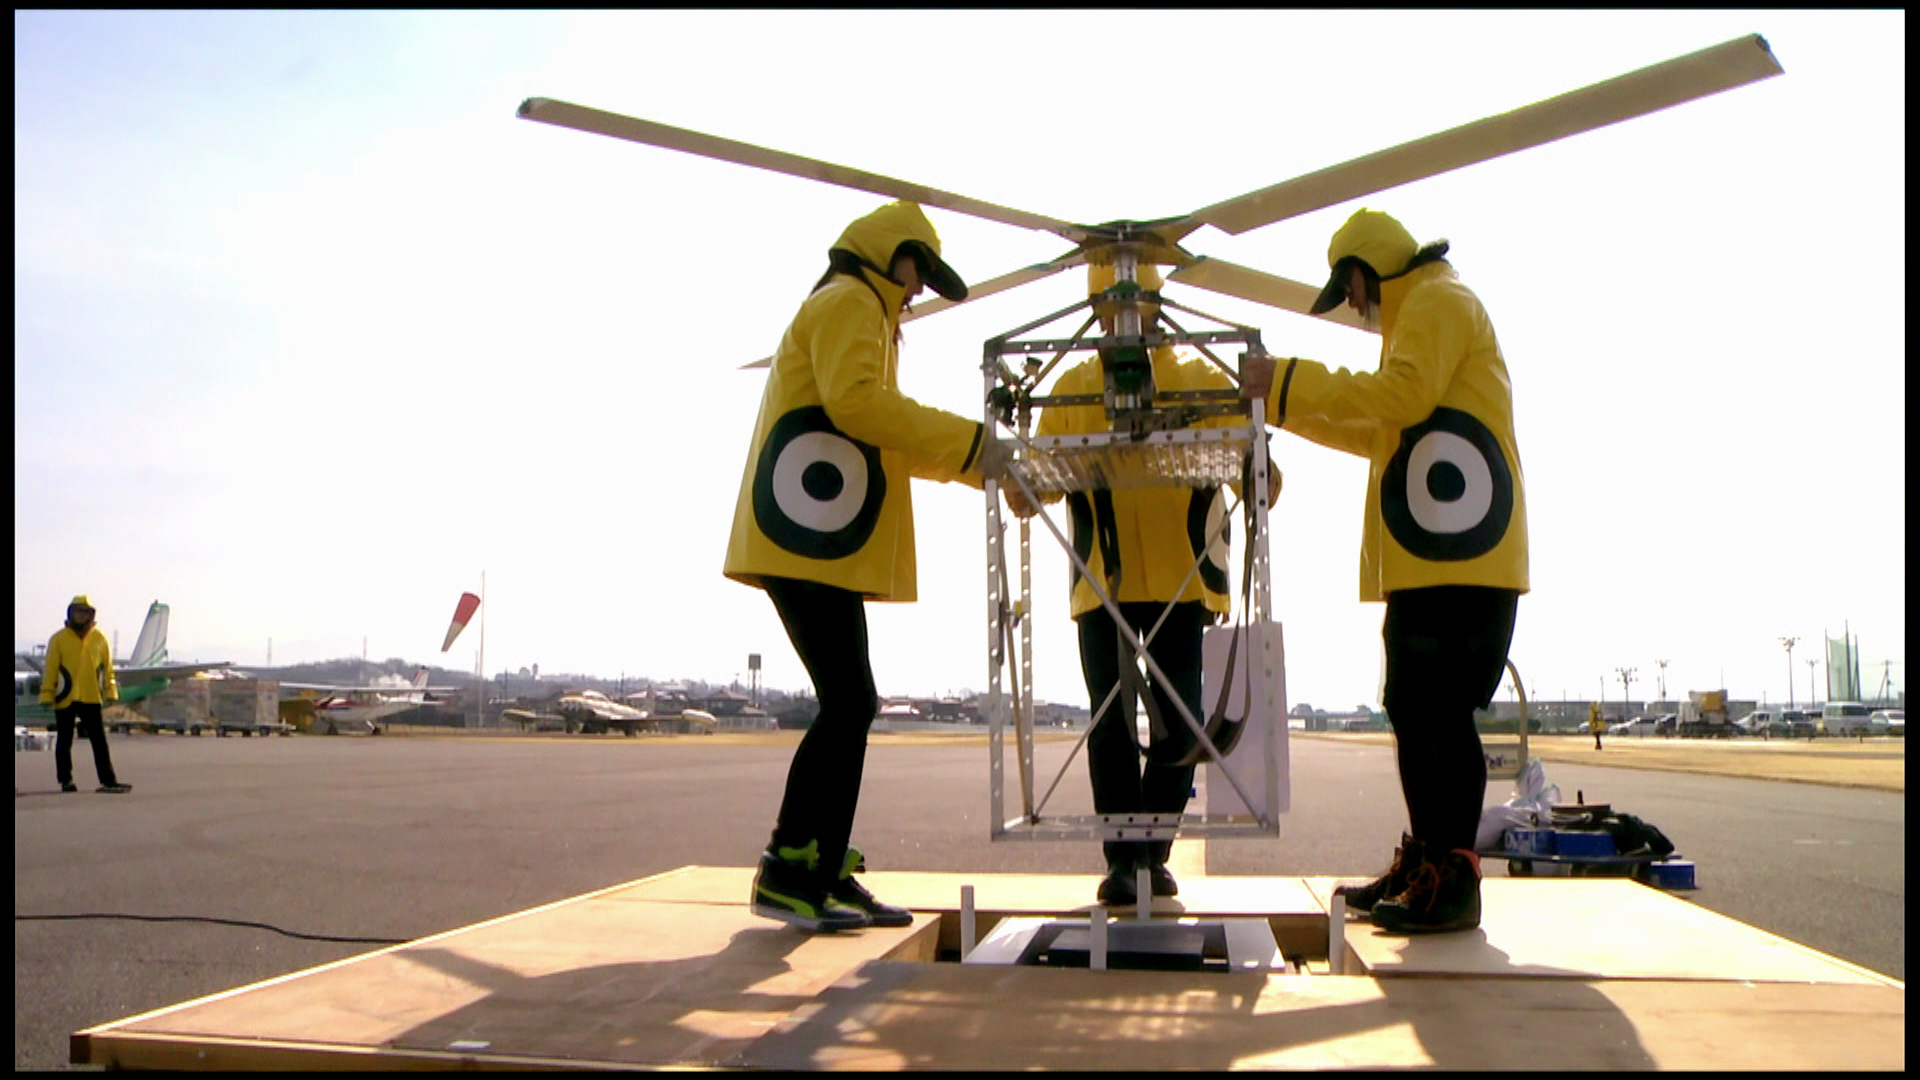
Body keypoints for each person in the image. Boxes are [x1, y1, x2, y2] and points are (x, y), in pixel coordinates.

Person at [725, 201, 1012, 932]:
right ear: (891, 254)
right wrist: (976, 445)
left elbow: (883, 435)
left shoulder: (858, 312)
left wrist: (979, 464)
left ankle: (820, 864)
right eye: (919, 273)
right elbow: (859, 407)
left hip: (815, 541)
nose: (917, 291)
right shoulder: (851, 302)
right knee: (851, 701)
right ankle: (790, 867)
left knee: (852, 701)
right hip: (804, 541)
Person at [1245, 208, 1527, 934]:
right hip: (1436, 556)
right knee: (1412, 704)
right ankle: (1428, 862)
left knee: (1440, 711)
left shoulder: (1437, 301)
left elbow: (1400, 400)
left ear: (1365, 270)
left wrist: (1286, 382)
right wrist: (1281, 402)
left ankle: (1454, 875)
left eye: (1350, 290)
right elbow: (1381, 428)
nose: (1354, 306)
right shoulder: (1421, 319)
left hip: (1461, 558)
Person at [1012, 262, 1241, 906]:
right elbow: (1036, 482)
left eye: (1137, 307)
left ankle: (1153, 852)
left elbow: (1246, 456)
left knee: (1181, 722)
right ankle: (1123, 859)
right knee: (1109, 719)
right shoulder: (1071, 389)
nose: (1126, 323)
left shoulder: (1195, 378)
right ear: (1095, 313)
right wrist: (1021, 485)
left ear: (1158, 307)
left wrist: (1263, 471)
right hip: (1101, 582)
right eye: (1112, 310)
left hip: (1182, 579)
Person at [40, 596, 132, 794]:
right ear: (70, 613)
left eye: (85, 611)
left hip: (91, 696)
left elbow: (108, 669)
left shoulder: (100, 639)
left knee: (99, 740)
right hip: (65, 696)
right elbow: (51, 669)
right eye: (77, 611)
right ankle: (66, 779)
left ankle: (108, 780)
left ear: (91, 615)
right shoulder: (59, 639)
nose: (81, 615)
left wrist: (111, 691)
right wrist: (47, 694)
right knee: (64, 740)